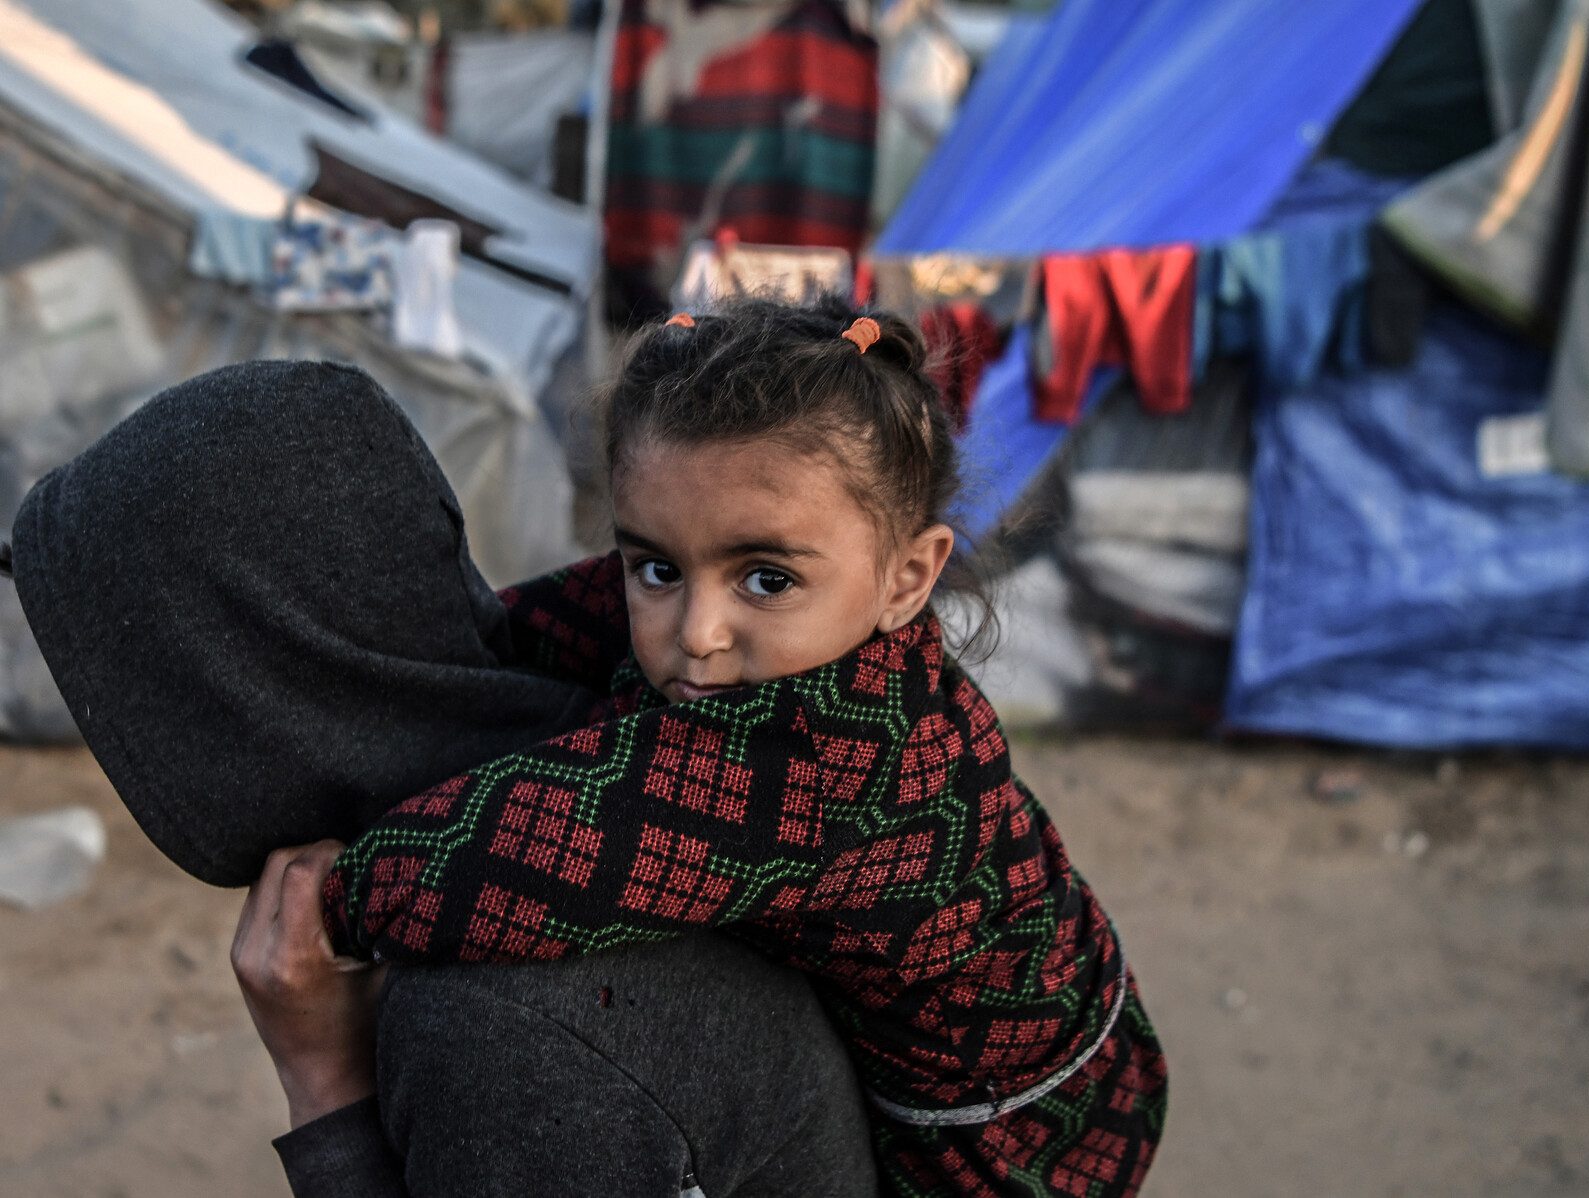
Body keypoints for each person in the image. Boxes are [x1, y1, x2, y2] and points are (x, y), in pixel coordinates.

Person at [318, 297, 1169, 1196]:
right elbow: (538, 626)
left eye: (766, 580)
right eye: (658, 566)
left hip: (1017, 1146)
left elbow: (507, 865)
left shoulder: (829, 760)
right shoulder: (774, 629)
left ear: (907, 578)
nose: (698, 632)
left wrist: (334, 898)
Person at [5, 359, 876, 1197]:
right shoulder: (595, 773)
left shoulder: (505, 1018)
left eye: (122, 688)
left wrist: (324, 1085)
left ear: (241, 684)